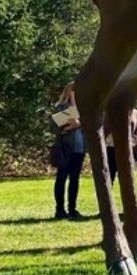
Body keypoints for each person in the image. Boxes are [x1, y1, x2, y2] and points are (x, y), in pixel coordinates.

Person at [50, 82, 85, 220]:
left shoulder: (84, 108)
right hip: (65, 148)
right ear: (69, 91)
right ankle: (60, 210)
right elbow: (53, 127)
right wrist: (70, 126)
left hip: (79, 148)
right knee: (62, 178)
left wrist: (78, 122)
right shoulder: (61, 107)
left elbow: (87, 123)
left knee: (75, 179)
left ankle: (73, 209)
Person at [104, 108, 137, 186]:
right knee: (109, 176)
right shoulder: (108, 110)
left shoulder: (134, 112)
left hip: (127, 148)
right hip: (111, 147)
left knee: (127, 177)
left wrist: (136, 143)